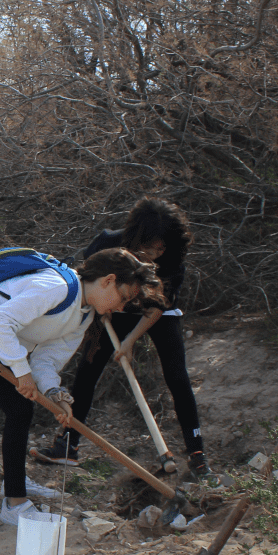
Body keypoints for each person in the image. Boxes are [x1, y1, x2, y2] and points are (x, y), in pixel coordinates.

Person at [0, 247, 163, 525]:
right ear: (108, 281)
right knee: (19, 410)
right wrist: (22, 372)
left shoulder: (84, 315)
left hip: (6, 340)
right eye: (123, 297)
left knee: (21, 409)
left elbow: (47, 360)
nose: (120, 308)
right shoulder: (56, 288)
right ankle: (14, 504)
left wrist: (56, 394)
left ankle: (15, 479)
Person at [35, 198, 210, 476]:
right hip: (114, 309)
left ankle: (197, 454)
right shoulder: (108, 243)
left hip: (157, 312)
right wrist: (100, 308)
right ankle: (67, 445)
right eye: (150, 247)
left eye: (162, 248)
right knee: (88, 370)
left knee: (177, 376)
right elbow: (87, 278)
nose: (156, 253)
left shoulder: (173, 259)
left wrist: (129, 342)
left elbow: (158, 306)